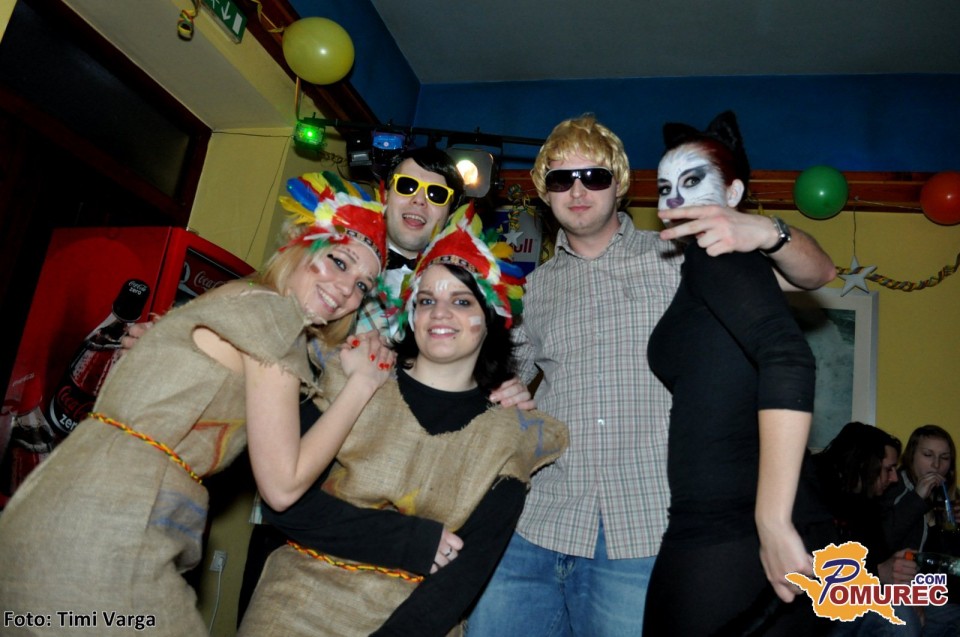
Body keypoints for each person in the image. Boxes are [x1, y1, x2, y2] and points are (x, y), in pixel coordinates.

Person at [466, 113, 836, 636]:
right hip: (538, 523)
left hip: (643, 530)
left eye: (594, 176)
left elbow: (816, 274)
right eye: (561, 179)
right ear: (544, 193)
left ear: (619, 184)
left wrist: (765, 229)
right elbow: (500, 381)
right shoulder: (534, 288)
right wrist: (499, 389)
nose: (577, 190)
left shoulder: (683, 253)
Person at [0, 171, 394, 636]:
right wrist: (362, 385)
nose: (347, 290)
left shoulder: (241, 296)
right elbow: (283, 486)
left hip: (66, 506)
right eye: (339, 262)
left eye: (363, 285)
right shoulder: (272, 315)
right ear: (299, 246)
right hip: (109, 523)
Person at [236, 202, 568, 637]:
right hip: (295, 605)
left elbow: (465, 575)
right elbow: (287, 505)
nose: (441, 313)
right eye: (427, 300)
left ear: (490, 318)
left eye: (462, 301)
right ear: (410, 313)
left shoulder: (511, 434)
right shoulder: (347, 377)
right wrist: (410, 541)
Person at [642, 110, 836, 635]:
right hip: (727, 525)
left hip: (732, 529)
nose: (672, 201)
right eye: (664, 188)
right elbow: (822, 274)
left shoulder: (718, 255)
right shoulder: (713, 262)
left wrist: (771, 522)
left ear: (733, 192)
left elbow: (789, 354)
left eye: (691, 182)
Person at [812, 421, 922, 635]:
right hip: (817, 610)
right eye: (888, 469)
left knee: (949, 615)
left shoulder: (866, 502)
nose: (894, 478)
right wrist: (879, 573)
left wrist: (899, 584)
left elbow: (878, 557)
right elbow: (814, 570)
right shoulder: (812, 491)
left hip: (858, 597)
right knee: (900, 618)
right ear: (864, 463)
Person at [883, 424, 960, 636]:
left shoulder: (947, 495)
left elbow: (951, 564)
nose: (936, 465)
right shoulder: (892, 487)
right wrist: (917, 499)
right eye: (928, 455)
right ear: (911, 457)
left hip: (932, 591)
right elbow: (883, 542)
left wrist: (955, 529)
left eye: (944, 458)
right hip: (894, 587)